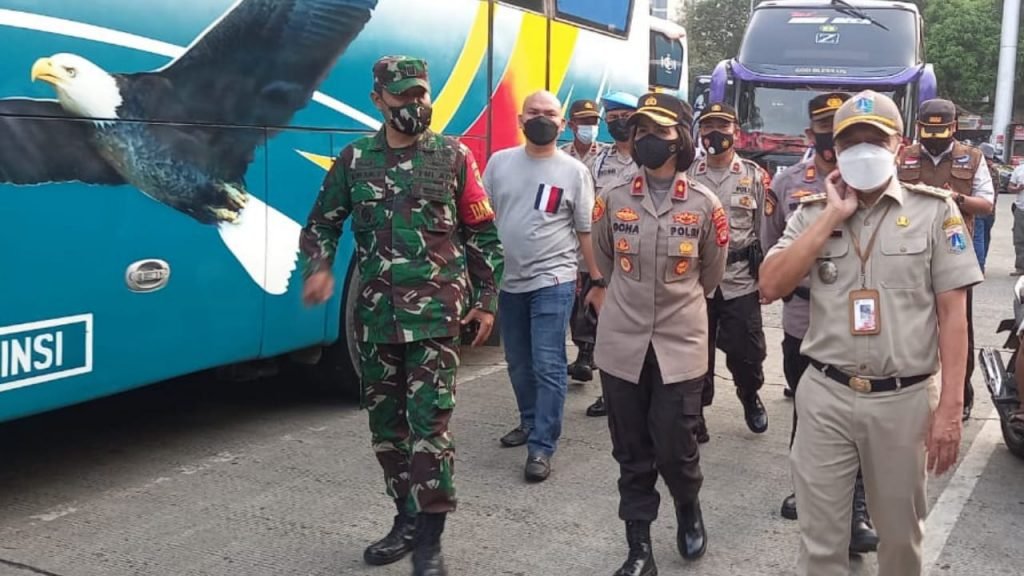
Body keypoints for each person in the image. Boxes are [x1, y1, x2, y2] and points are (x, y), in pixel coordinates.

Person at [760, 90, 982, 576]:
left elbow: (954, 315)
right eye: (850, 142)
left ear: (899, 144)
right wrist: (831, 217)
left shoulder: (935, 211)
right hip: (826, 394)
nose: (863, 150)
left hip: (902, 400)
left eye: (875, 140)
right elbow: (770, 285)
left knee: (900, 538)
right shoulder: (812, 212)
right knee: (821, 541)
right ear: (834, 149)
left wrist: (950, 408)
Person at [299, 55, 503, 576]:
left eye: (421, 94)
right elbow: (322, 224)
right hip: (376, 321)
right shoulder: (355, 161)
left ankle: (430, 542)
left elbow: (483, 234)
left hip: (436, 319)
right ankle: (405, 520)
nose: (415, 104)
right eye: (403, 96)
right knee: (387, 432)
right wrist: (319, 269)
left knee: (429, 429)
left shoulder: (453, 157)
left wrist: (486, 300)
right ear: (378, 101)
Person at [591, 91, 727, 574]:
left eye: (660, 131)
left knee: (675, 447)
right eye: (642, 131)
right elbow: (605, 260)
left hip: (680, 343)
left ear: (681, 138)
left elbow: (711, 275)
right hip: (622, 342)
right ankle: (639, 548)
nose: (648, 139)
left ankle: (688, 506)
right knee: (630, 450)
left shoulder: (706, 205)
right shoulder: (612, 199)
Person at [762, 92, 879, 554]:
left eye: (839, 126)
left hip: (861, 321)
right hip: (804, 317)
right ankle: (805, 485)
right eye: (824, 127)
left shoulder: (877, 180)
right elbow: (772, 248)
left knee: (862, 413)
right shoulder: (787, 183)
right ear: (811, 133)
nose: (832, 135)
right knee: (807, 409)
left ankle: (857, 507)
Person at [485, 90, 601, 482]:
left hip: (554, 279)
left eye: (550, 113)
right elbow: (483, 219)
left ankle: (542, 446)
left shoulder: (574, 172)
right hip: (509, 280)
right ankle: (529, 420)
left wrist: (596, 279)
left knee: (548, 362)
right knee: (518, 361)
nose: (541, 119)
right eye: (533, 112)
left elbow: (585, 230)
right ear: (521, 120)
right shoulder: (500, 163)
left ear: (562, 123)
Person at [896, 98, 994, 422]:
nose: (934, 136)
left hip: (955, 253)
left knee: (958, 325)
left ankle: (961, 394)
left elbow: (987, 204)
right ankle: (909, 391)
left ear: (954, 127)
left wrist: (957, 198)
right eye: (928, 130)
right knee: (908, 324)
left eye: (941, 130)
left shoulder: (973, 157)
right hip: (908, 252)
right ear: (918, 127)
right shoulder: (903, 156)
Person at [687, 102, 769, 441]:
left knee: (747, 353)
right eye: (708, 127)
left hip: (740, 280)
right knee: (695, 354)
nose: (715, 133)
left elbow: (764, 231)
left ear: (736, 131)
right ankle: (696, 413)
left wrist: (766, 277)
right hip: (696, 281)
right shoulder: (688, 174)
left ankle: (749, 395)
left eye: (722, 126)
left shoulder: (754, 175)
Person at [572, 90, 640, 418]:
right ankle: (610, 395)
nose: (618, 123)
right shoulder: (598, 161)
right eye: (612, 119)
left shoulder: (649, 155)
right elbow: (588, 211)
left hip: (642, 257)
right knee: (606, 329)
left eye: (625, 117)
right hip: (607, 259)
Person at [560, 98, 608, 170]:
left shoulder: (608, 153)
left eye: (594, 122)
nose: (591, 127)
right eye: (585, 122)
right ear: (571, 125)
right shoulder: (561, 153)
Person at [974, 142, 998, 271]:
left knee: (977, 239)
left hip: (978, 208)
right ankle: (982, 263)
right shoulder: (995, 171)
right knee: (985, 238)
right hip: (991, 210)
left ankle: (979, 267)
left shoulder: (978, 168)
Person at [1010, 161, 1024, 275]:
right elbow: (1010, 187)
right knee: (1019, 239)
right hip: (1020, 209)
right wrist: (1017, 188)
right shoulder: (1019, 169)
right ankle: (1020, 267)